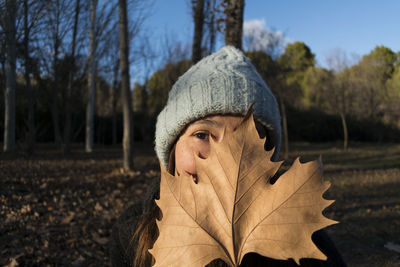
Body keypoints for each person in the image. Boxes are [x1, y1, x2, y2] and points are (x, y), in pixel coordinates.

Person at [110, 46, 346, 267]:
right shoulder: (132, 235)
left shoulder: (303, 237)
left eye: (245, 141)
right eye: (203, 135)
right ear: (171, 149)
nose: (222, 162)